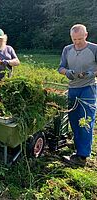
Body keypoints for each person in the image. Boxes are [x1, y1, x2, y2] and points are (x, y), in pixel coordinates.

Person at [58, 24, 97, 167]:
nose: (77, 42)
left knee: (85, 120)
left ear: (86, 35)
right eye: (74, 39)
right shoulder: (67, 49)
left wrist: (92, 73)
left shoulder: (94, 49)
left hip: (88, 88)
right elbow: (61, 67)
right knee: (74, 119)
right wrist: (68, 72)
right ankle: (78, 146)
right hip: (73, 88)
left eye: (80, 38)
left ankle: (82, 156)